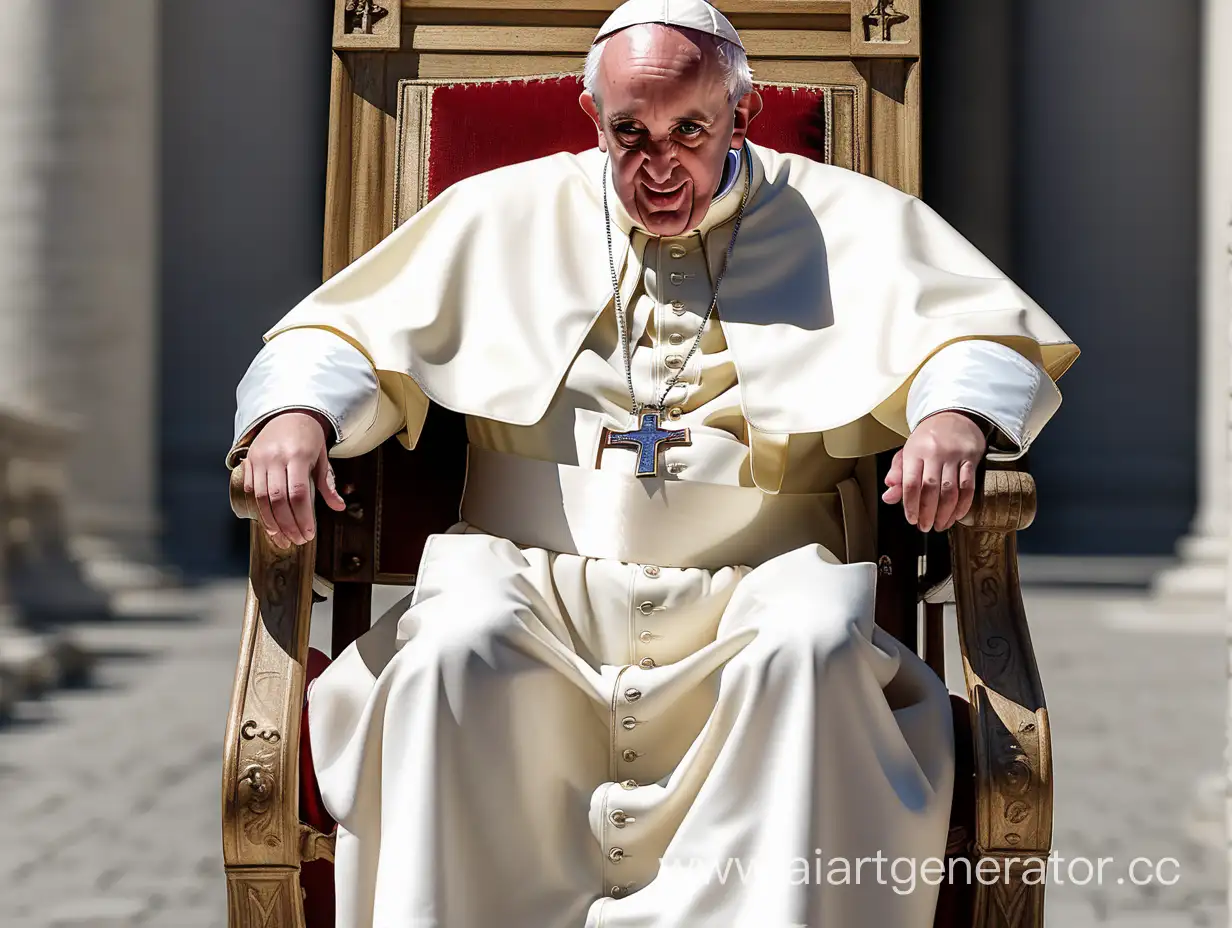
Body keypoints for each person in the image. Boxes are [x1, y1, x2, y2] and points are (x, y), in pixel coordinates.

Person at [229, 1, 1077, 925]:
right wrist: (295, 414)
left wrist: (951, 415)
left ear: (741, 117)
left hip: (764, 580)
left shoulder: (849, 219)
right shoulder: (502, 211)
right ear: (593, 117)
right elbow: (339, 335)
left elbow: (981, 337)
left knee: (815, 647)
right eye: (628, 132)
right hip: (530, 579)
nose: (657, 162)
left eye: (689, 130)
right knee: (450, 650)